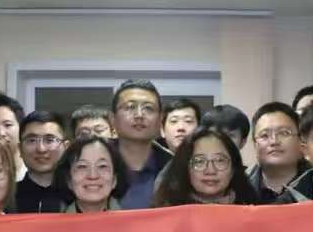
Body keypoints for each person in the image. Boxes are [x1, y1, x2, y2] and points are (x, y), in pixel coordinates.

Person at [153, 128, 257, 207]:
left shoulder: (252, 213)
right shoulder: (166, 215)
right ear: (185, 168)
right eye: (199, 161)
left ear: (233, 168)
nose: (210, 171)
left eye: (220, 160)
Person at [113, 79, 172, 209]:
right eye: (130, 107)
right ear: (113, 119)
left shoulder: (175, 169)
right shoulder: (91, 165)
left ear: (160, 120)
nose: (139, 115)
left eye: (148, 108)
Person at [246, 102, 308, 204]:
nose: (274, 141)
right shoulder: (238, 191)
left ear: (301, 140)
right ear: (255, 145)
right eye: (264, 135)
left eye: (284, 133)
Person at [16, 110, 72, 213]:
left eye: (49, 140)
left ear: (66, 147)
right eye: (32, 140)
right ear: (20, 149)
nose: (41, 149)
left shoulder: (79, 196)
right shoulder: (5, 198)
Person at [57, 135, 127, 213]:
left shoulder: (133, 218)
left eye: (102, 166)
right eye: (82, 166)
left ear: (114, 179)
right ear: (69, 180)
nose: (93, 175)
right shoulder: (53, 220)